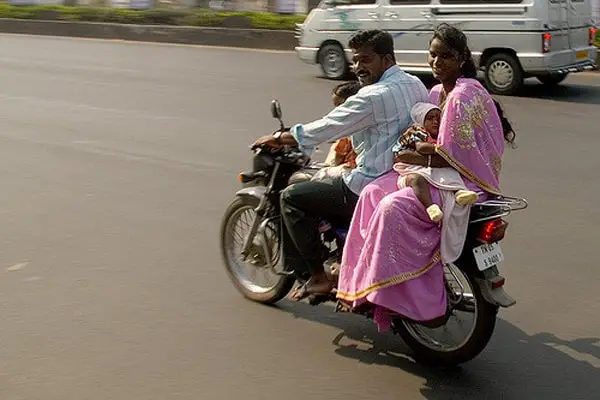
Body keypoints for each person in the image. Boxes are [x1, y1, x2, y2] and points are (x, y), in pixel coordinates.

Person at [336, 23, 517, 331]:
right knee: (371, 192)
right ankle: (360, 281)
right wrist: (410, 152)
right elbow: (429, 139)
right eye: (433, 55)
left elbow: (453, 155)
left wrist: (408, 156)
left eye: (445, 56)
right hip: (434, 171)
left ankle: (392, 294)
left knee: (391, 208)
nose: (436, 63)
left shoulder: (463, 94)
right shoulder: (436, 92)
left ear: (461, 58)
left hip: (462, 180)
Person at [251, 30, 429, 301]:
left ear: (387, 58)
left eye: (366, 60)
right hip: (402, 177)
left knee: (292, 198)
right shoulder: (416, 83)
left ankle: (317, 277)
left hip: (368, 183)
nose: (358, 67)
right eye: (356, 60)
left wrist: (282, 137)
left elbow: (329, 126)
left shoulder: (373, 96)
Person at [392, 102, 479, 222]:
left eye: (438, 118)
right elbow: (421, 148)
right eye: (430, 118)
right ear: (422, 120)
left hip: (428, 162)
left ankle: (459, 191)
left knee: (449, 171)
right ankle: (431, 207)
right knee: (417, 180)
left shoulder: (441, 133)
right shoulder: (417, 131)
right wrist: (440, 149)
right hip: (410, 164)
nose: (435, 122)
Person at [313, 81, 361, 181]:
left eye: (340, 105)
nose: (337, 110)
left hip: (355, 169)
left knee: (320, 176)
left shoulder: (353, 125)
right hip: (350, 168)